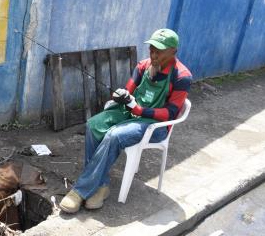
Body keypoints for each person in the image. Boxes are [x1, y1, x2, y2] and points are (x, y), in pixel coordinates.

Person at [60, 29, 192, 213]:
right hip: (131, 112)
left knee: (114, 136)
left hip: (154, 125)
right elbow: (129, 89)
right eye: (151, 50)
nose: (153, 55)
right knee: (94, 125)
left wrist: (140, 110)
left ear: (173, 52)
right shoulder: (143, 66)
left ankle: (81, 190)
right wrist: (120, 95)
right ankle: (101, 186)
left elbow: (170, 113)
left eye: (159, 52)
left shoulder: (181, 77)